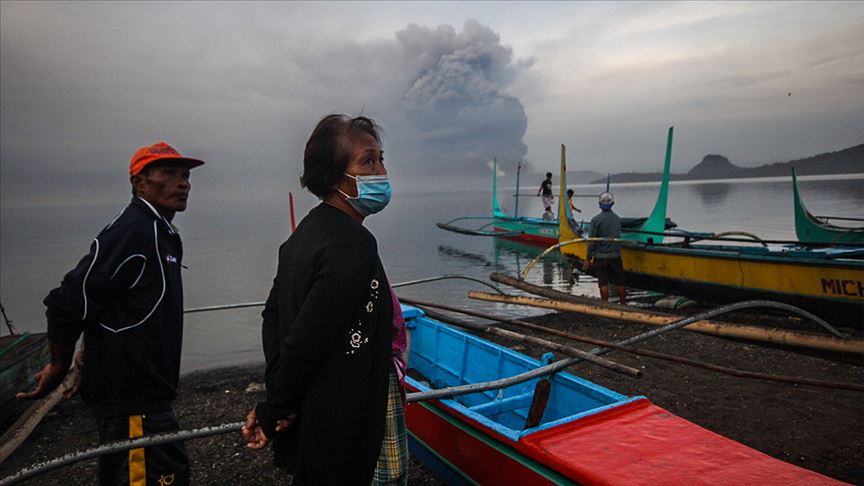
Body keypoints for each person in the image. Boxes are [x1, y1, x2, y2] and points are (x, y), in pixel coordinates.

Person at [17, 141, 205, 485]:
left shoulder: (161, 230)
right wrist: (58, 365)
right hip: (134, 405)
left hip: (146, 400)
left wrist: (86, 350)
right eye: (169, 173)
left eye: (186, 175)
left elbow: (111, 300)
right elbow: (68, 301)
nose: (183, 183)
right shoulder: (135, 230)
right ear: (139, 182)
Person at [243, 114, 409, 485]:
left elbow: (274, 318)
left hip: (314, 420)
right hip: (342, 424)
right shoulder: (353, 243)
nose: (381, 171)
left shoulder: (304, 235)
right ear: (335, 178)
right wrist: (275, 410)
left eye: (381, 159)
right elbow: (305, 339)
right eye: (368, 161)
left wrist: (278, 401)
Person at [582, 192, 627, 304]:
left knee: (603, 283)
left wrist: (588, 258)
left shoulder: (596, 220)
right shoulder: (617, 219)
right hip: (616, 256)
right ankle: (623, 305)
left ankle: (605, 306)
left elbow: (592, 240)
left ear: (599, 204)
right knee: (620, 282)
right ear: (613, 204)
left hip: (601, 257)